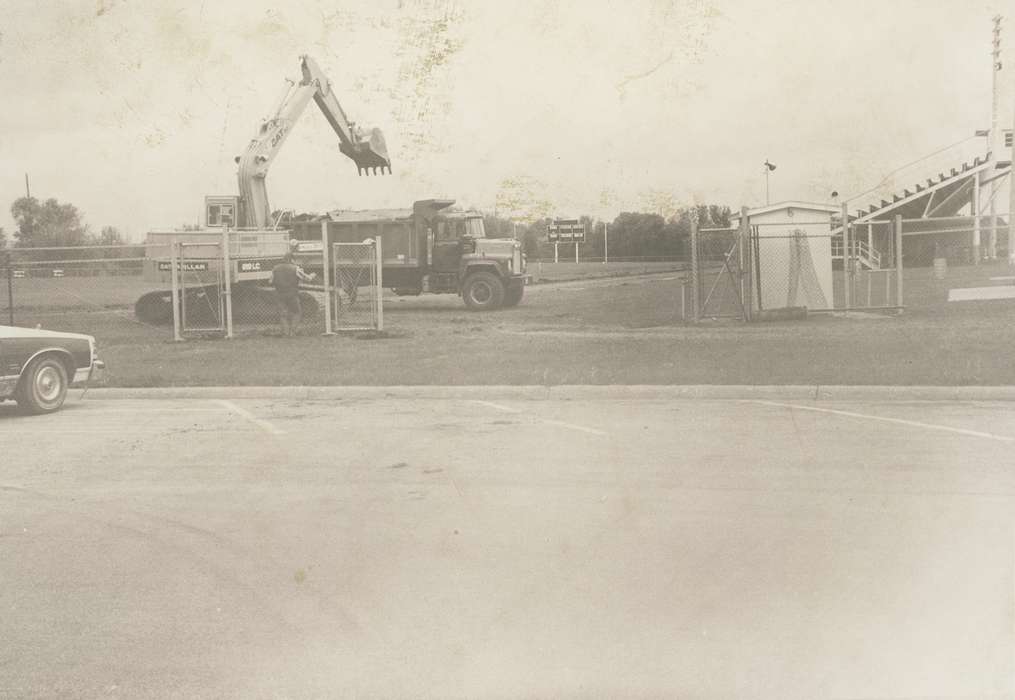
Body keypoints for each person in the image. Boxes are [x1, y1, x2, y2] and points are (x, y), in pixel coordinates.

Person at [271, 254, 316, 336]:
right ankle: (292, 332)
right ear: (292, 260)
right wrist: (312, 275)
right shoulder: (295, 268)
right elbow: (307, 278)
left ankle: (285, 333)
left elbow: (270, 281)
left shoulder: (275, 268)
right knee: (297, 312)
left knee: (282, 314)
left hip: (280, 294)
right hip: (292, 294)